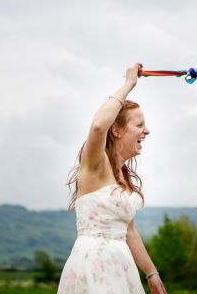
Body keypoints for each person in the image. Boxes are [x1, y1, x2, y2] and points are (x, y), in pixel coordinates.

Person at [58, 63, 167, 294]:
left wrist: (151, 273)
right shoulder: (95, 164)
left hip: (121, 269)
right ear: (116, 130)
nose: (147, 131)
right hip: (91, 266)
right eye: (139, 125)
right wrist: (129, 84)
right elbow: (98, 126)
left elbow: (129, 232)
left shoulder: (122, 178)